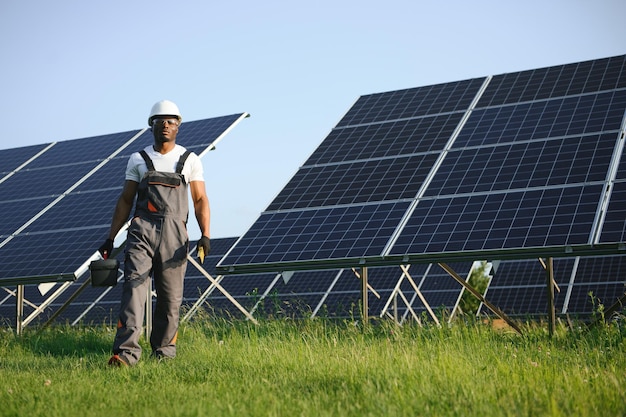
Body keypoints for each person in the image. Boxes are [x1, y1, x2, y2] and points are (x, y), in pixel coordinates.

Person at [98, 100, 211, 366]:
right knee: (134, 292)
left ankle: (164, 354)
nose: (166, 126)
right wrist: (111, 237)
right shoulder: (138, 158)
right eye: (161, 122)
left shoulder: (190, 160)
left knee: (171, 298)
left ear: (178, 127)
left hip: (175, 235)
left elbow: (200, 199)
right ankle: (125, 355)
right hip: (142, 232)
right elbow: (126, 200)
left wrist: (205, 234)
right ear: (152, 126)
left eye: (171, 122)